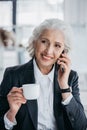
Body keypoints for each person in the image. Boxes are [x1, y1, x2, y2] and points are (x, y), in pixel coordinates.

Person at [0, 18, 87, 130]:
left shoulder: (70, 77)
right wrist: (11, 113)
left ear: (63, 52)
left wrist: (64, 87)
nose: (48, 51)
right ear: (34, 42)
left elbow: (81, 126)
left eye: (57, 45)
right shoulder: (12, 75)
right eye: (44, 41)